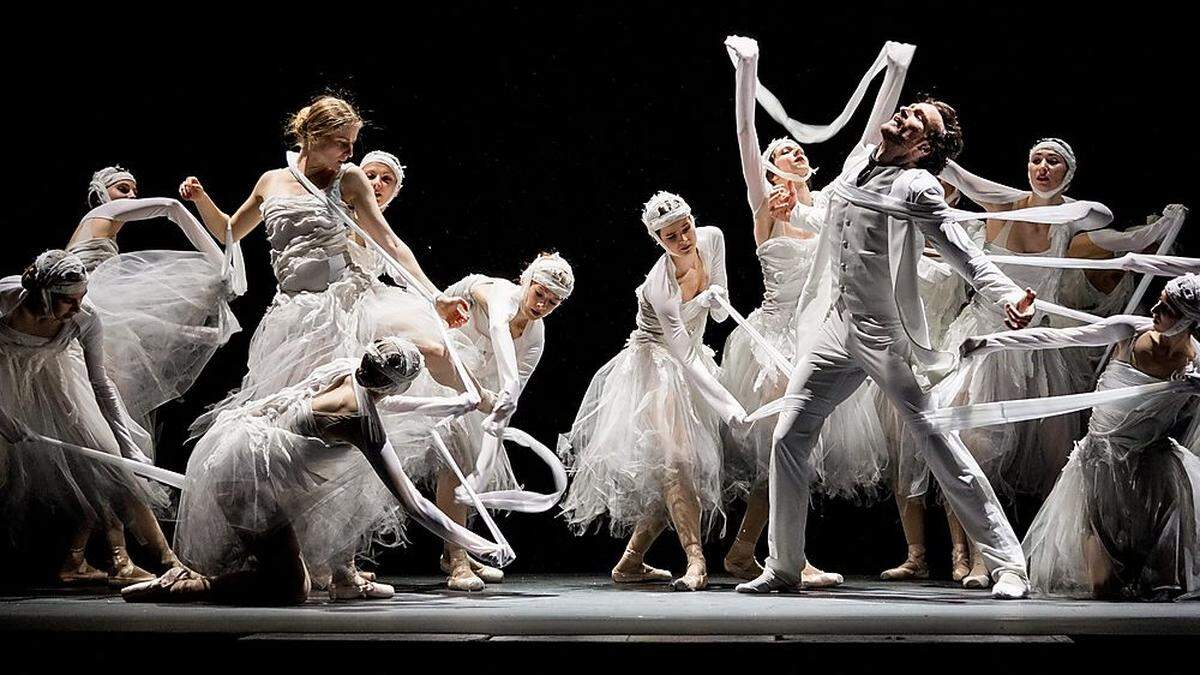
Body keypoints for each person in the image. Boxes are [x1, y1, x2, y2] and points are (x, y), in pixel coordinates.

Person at [735, 40, 1045, 599]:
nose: (899, 116)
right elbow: (830, 217)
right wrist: (790, 210)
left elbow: (962, 252)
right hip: (834, 326)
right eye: (904, 110)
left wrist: (1006, 298)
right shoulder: (858, 164)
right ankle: (784, 566)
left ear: (923, 145)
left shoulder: (916, 185)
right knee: (788, 436)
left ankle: (1008, 563)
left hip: (882, 332)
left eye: (912, 120)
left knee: (935, 439)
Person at [125, 337, 513, 605]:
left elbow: (391, 406)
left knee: (277, 568)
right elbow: (414, 503)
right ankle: (191, 586)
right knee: (292, 588)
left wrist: (453, 406)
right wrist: (482, 545)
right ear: (394, 384)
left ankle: (207, 579)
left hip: (244, 462)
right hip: (248, 481)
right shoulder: (359, 418)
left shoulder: (350, 371)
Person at [957, 275, 1200, 599]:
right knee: (1103, 587)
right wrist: (993, 342)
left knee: (1163, 587)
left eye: (1167, 308)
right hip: (1101, 464)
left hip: (1152, 469)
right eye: (1158, 299)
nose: (1154, 308)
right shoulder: (1132, 331)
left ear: (1187, 318)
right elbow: (1064, 337)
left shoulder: (1195, 359)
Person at [386, 253, 574, 591]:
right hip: (439, 362)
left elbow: (511, 392)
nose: (543, 304)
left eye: (553, 301)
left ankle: (453, 550)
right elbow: (499, 329)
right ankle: (457, 558)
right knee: (454, 456)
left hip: (475, 389)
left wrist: (503, 405)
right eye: (540, 294)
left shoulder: (536, 336)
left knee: (468, 466)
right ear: (527, 282)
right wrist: (507, 385)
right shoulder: (500, 293)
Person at [0, 250, 179, 587]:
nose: (78, 308)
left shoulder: (86, 318)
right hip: (4, 387)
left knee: (110, 463)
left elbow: (101, 383)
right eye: (69, 300)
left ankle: (166, 559)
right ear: (44, 294)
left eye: (82, 298)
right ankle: (74, 562)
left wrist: (127, 446)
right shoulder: (4, 302)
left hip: (57, 383)